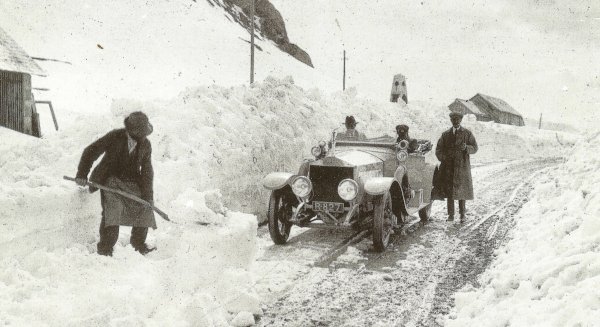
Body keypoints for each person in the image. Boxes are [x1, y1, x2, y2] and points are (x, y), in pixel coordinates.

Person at [75, 111, 156, 256]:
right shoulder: (115, 137)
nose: (143, 136)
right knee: (113, 211)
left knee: (145, 206)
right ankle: (105, 249)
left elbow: (147, 172)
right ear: (131, 130)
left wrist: (148, 196)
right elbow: (90, 151)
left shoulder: (146, 145)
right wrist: (82, 174)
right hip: (109, 180)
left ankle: (138, 245)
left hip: (132, 182)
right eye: (140, 132)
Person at [435, 111, 478, 222]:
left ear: (460, 120)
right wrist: (443, 158)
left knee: (461, 192)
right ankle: (451, 215)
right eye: (453, 120)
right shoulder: (445, 135)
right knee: (450, 192)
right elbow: (438, 149)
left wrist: (467, 148)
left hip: (462, 167)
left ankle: (462, 214)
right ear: (451, 121)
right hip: (448, 168)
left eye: (457, 120)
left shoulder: (467, 134)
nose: (455, 122)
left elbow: (475, 147)